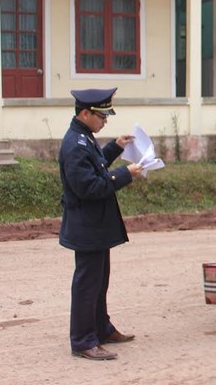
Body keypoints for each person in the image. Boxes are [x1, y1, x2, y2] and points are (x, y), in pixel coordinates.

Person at [58, 88, 143, 361]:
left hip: (95, 226)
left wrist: (115, 147)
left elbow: (96, 164)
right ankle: (83, 341)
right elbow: (89, 187)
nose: (105, 121)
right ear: (85, 113)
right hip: (86, 227)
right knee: (87, 285)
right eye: (102, 116)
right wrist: (123, 175)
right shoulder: (74, 144)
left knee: (99, 282)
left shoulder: (84, 137)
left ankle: (101, 329)